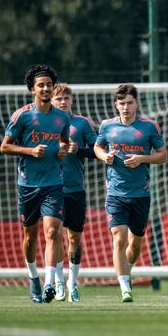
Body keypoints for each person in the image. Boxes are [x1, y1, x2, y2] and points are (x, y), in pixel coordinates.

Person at [0, 64, 70, 303]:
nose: (46, 89)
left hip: (54, 183)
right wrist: (29, 150)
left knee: (53, 232)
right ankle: (33, 278)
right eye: (41, 85)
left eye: (49, 85)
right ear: (32, 89)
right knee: (30, 236)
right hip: (28, 185)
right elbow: (5, 146)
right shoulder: (22, 115)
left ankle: (49, 283)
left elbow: (65, 141)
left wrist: (63, 150)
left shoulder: (62, 117)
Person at [94, 83, 168, 302]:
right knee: (119, 239)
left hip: (141, 194)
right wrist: (103, 156)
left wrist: (142, 158)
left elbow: (163, 155)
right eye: (121, 103)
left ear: (137, 103)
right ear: (116, 105)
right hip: (115, 193)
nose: (125, 107)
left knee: (135, 244)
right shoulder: (107, 126)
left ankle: (127, 267)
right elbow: (98, 147)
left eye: (129, 103)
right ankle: (125, 287)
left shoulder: (149, 127)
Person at [52, 83, 98, 302]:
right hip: (50, 188)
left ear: (71, 100)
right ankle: (58, 282)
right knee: (54, 234)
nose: (62, 102)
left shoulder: (81, 123)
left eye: (66, 98)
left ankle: (73, 282)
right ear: (51, 100)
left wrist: (79, 150)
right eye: (58, 98)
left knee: (74, 238)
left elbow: (98, 150)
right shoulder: (45, 123)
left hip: (76, 190)